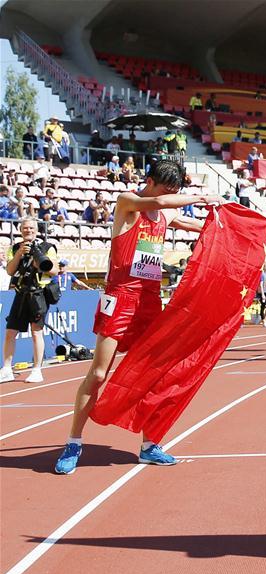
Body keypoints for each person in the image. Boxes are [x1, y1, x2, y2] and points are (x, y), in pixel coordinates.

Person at [52, 160, 223, 475]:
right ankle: (74, 442)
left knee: (154, 375)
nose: (169, 196)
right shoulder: (127, 203)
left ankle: (149, 445)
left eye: (175, 192)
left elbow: (190, 223)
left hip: (148, 301)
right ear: (149, 181)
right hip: (119, 298)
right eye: (165, 189)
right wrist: (201, 198)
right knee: (100, 373)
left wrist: (226, 226)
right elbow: (157, 202)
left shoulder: (166, 210)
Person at [0, 218, 59, 384]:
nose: (28, 231)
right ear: (21, 230)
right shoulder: (15, 248)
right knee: (10, 332)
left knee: (36, 332)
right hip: (20, 293)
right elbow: (10, 271)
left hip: (38, 294)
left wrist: (37, 260)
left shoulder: (47, 247)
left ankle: (36, 370)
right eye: (25, 228)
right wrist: (19, 253)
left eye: (31, 228)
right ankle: (6, 369)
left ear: (36, 230)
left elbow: (54, 270)